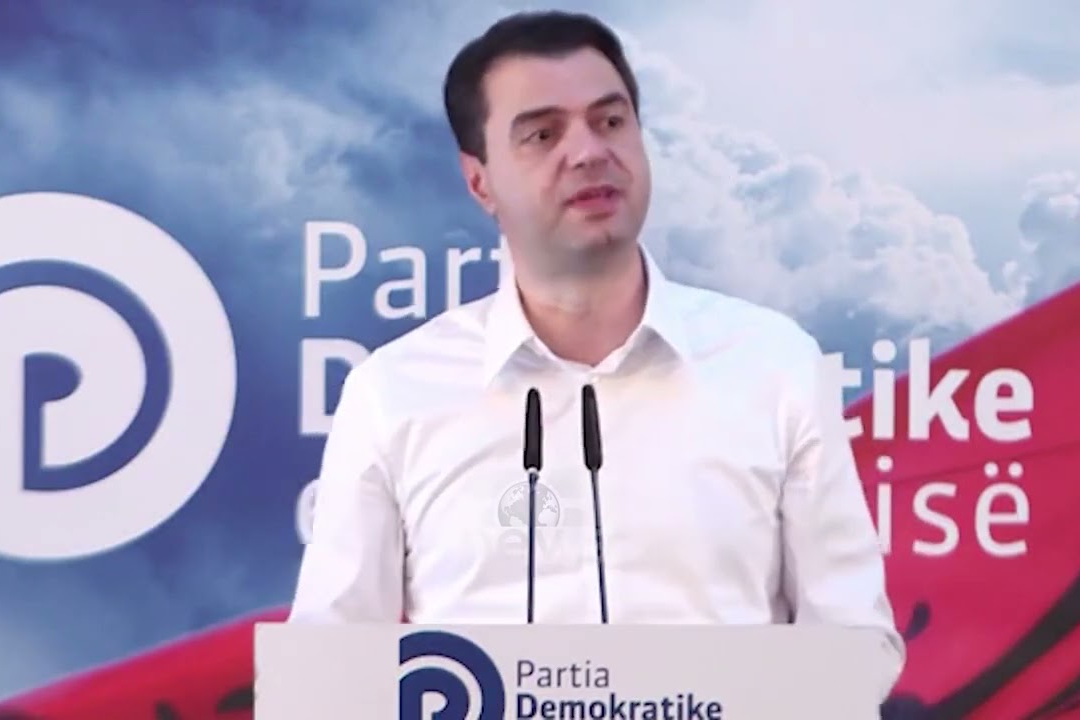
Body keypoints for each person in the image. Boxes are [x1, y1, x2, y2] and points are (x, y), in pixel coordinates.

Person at [289, 9, 905, 698]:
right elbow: (327, 675)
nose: (587, 152)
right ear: (480, 182)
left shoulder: (771, 364)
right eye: (543, 134)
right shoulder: (393, 393)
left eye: (610, 121)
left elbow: (856, 646)